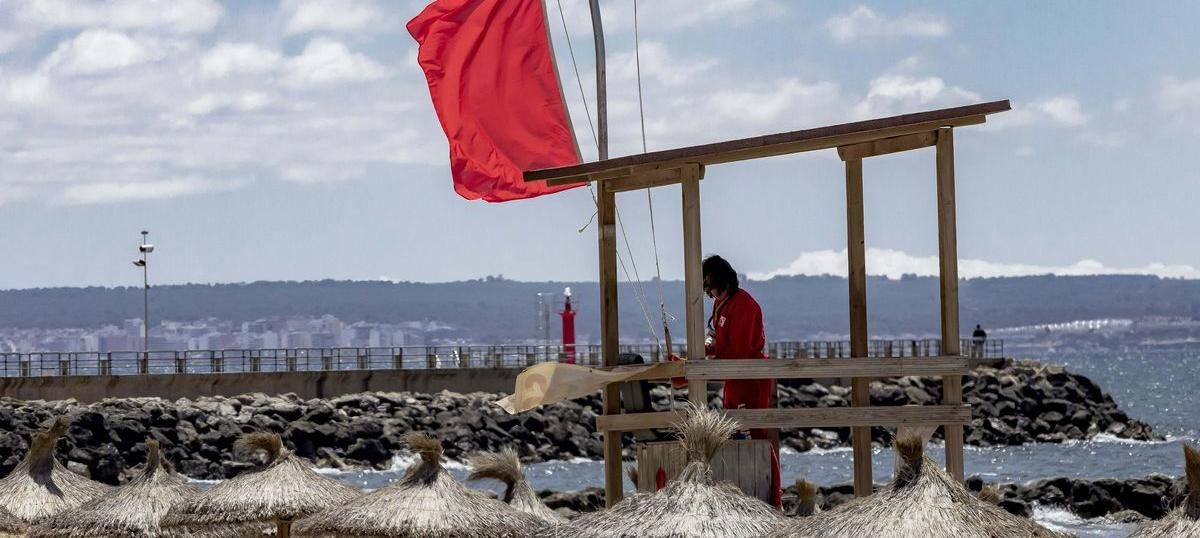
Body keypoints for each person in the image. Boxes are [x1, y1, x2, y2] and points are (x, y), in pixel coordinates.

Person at [701, 254, 782, 508]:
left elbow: (739, 350)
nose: (708, 291)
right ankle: (740, 494)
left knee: (757, 435)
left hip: (750, 379)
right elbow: (721, 342)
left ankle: (772, 497)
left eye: (709, 285)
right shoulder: (721, 304)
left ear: (720, 280)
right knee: (732, 434)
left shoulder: (744, 305)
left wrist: (712, 354)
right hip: (733, 380)